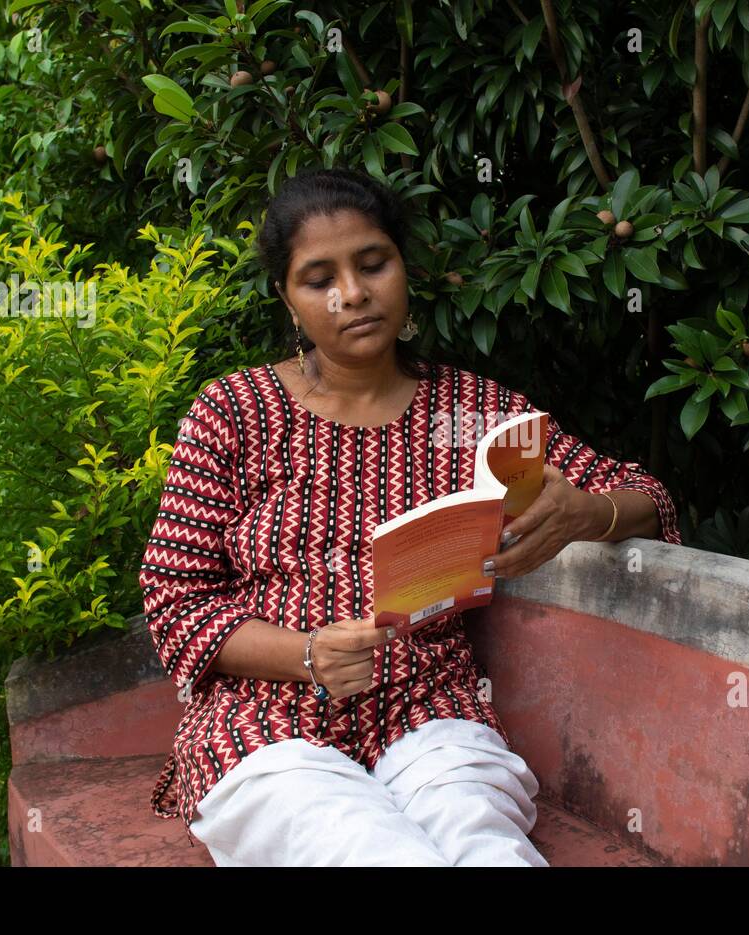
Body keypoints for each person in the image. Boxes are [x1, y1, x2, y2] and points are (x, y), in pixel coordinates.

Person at [138, 166, 682, 866]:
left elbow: (648, 496)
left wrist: (584, 514)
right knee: (373, 852)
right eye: (318, 279)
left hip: (432, 714)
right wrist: (307, 655)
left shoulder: (471, 412)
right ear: (287, 299)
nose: (354, 294)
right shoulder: (234, 413)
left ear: (404, 267)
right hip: (265, 723)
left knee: (488, 852)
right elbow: (174, 602)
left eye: (374, 264)